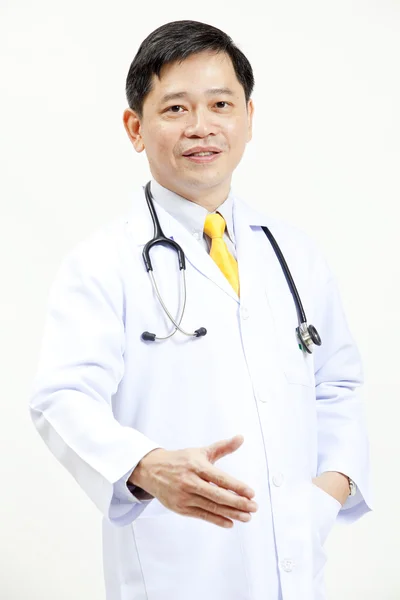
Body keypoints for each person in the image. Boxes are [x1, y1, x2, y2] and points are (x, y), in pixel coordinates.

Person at [29, 19, 373, 600]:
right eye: (175, 109)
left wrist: (327, 493)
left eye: (220, 104)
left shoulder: (292, 253)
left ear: (248, 118)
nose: (202, 127)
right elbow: (61, 399)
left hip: (294, 560)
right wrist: (145, 465)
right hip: (176, 568)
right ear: (135, 128)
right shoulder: (102, 263)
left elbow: (337, 384)